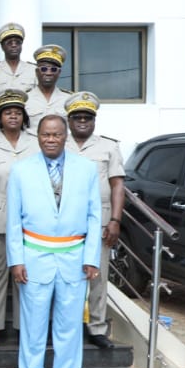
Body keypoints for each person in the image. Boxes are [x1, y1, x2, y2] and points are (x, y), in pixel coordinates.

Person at [8, 115, 102, 368]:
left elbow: (94, 215)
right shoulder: (21, 170)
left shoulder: (87, 169)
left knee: (69, 327)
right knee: (33, 326)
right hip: (34, 255)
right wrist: (16, 260)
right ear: (37, 136)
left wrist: (91, 257)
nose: (51, 139)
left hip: (73, 256)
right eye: (45, 134)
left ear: (65, 136)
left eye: (56, 135)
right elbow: (13, 219)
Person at [0, 88, 39, 348]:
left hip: (32, 220)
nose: (12, 117)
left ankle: (28, 329)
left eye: (17, 113)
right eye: (7, 112)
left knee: (29, 277)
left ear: (24, 117)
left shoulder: (36, 143)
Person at [64, 92, 125, 350]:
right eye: (76, 117)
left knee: (97, 275)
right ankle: (66, 325)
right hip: (64, 222)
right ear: (68, 120)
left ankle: (97, 328)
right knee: (66, 276)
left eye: (87, 117)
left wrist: (115, 220)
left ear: (94, 120)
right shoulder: (58, 144)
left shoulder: (108, 147)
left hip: (99, 221)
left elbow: (118, 185)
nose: (82, 121)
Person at [25, 45, 73, 132]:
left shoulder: (69, 99)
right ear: (36, 72)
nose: (48, 73)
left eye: (53, 69)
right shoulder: (25, 98)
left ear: (59, 73)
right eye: (44, 69)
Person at [0, 23, 37, 96]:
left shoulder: (33, 70)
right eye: (9, 43)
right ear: (2, 47)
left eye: (17, 42)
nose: (14, 45)